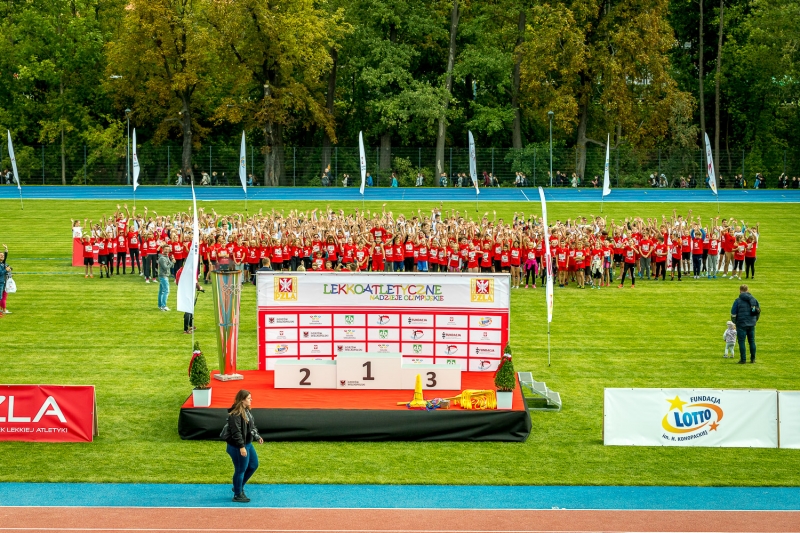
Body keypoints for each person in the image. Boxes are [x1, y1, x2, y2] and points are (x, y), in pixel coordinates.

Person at [224, 390, 263, 503]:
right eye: (249, 398)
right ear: (242, 400)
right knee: (241, 469)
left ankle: (238, 485)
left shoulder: (246, 411)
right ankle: (237, 494)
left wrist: (257, 436)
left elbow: (251, 426)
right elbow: (236, 432)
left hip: (247, 444)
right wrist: (241, 447)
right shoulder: (235, 415)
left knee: (253, 465)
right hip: (238, 446)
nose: (251, 400)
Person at [731, 284, 759, 364]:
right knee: (752, 341)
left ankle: (743, 359)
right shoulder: (754, 300)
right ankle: (753, 359)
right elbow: (757, 311)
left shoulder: (737, 301)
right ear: (748, 290)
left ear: (740, 291)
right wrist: (755, 320)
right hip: (751, 324)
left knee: (741, 342)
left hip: (741, 323)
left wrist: (735, 322)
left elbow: (733, 313)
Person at [157, 244, 175, 311]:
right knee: (166, 291)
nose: (167, 251)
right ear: (163, 250)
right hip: (163, 276)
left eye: (168, 249)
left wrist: (172, 261)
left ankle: (160, 305)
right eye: (165, 249)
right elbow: (166, 267)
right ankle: (163, 306)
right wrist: (172, 262)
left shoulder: (167, 257)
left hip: (164, 275)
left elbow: (171, 266)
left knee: (161, 291)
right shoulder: (162, 258)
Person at [0, 244, 9, 316]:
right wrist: (6, 270)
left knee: (1, 297)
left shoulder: (2, 263)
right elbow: (0, 273)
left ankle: (1, 310)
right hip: (0, 282)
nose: (2, 256)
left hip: (2, 282)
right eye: (1, 255)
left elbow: (5, 258)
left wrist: (6, 250)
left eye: (3, 255)